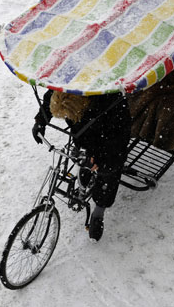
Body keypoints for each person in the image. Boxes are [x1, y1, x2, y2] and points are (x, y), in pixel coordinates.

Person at [32, 90, 131, 241]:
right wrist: (41, 121)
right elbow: (49, 98)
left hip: (107, 137)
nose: (65, 119)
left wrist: (102, 159)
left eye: (67, 116)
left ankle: (99, 212)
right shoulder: (68, 86)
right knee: (80, 157)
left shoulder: (111, 103)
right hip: (84, 132)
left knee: (108, 174)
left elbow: (119, 140)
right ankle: (86, 176)